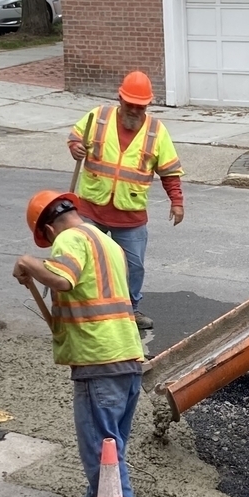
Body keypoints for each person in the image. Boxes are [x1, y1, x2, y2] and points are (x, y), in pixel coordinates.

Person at [14, 190, 150, 497]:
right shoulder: (107, 243)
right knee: (110, 444)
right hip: (127, 355)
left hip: (97, 359)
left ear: (48, 229)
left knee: (100, 449)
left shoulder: (70, 240)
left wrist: (29, 263)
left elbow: (63, 280)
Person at [66, 70, 183, 333]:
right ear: (120, 98)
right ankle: (83, 308)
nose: (134, 110)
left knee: (133, 266)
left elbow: (169, 170)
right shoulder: (97, 117)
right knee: (85, 261)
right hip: (90, 208)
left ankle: (130, 310)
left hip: (130, 216)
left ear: (147, 105)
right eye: (129, 104)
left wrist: (176, 201)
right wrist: (75, 148)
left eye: (139, 106)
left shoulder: (156, 130)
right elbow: (75, 139)